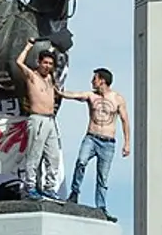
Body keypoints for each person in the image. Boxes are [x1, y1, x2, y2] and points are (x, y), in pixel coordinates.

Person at [60, 68, 130, 211]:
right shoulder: (91, 96)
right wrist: (59, 92)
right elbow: (75, 95)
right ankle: (75, 192)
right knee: (81, 161)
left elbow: (125, 120)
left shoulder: (117, 98)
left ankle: (101, 205)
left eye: (95, 79)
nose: (92, 81)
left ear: (102, 80)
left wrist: (127, 143)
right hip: (91, 138)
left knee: (102, 176)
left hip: (108, 142)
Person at [14, 40, 65, 199]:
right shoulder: (32, 76)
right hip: (37, 119)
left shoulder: (50, 78)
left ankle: (49, 187)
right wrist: (28, 46)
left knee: (53, 156)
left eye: (50, 63)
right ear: (39, 63)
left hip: (51, 121)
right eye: (45, 63)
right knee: (34, 155)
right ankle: (30, 186)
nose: (47, 66)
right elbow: (18, 62)